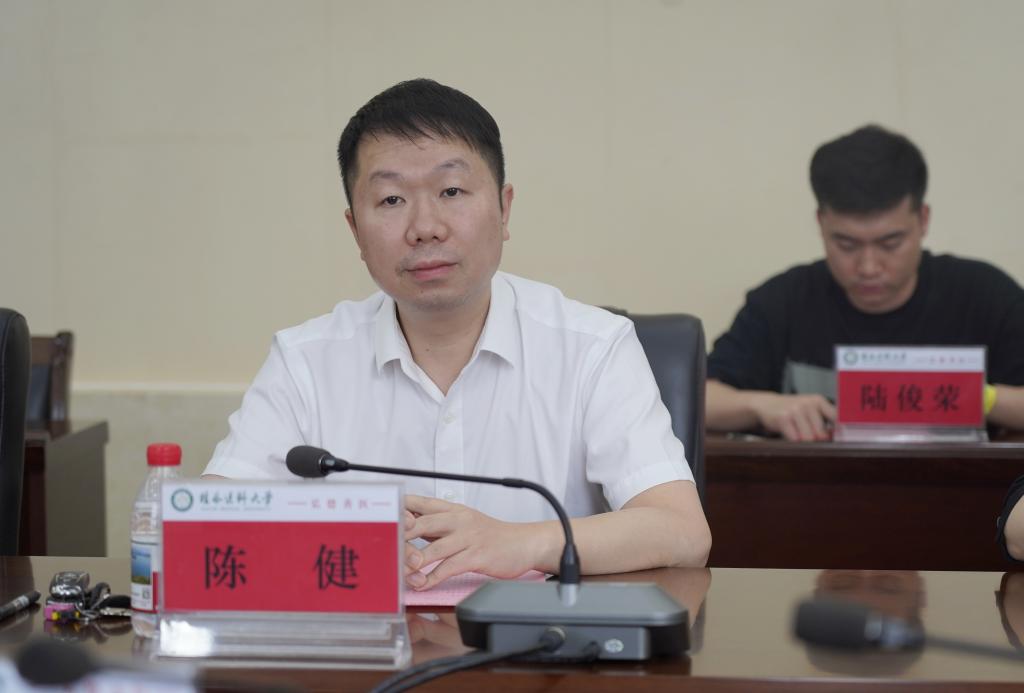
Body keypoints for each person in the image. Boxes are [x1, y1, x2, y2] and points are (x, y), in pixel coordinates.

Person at [203, 79, 711, 589]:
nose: (425, 227)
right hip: (367, 638)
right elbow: (206, 527)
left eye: (451, 191)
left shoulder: (593, 347)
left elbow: (682, 531)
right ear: (356, 230)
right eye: (391, 199)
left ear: (504, 209)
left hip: (544, 638)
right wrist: (339, 542)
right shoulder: (305, 360)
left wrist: (522, 543)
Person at [705, 125, 1024, 441]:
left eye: (890, 244)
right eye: (846, 245)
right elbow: (701, 399)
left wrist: (975, 396)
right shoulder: (782, 302)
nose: (868, 267)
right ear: (821, 223)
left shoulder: (985, 296)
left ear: (923, 220)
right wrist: (760, 405)